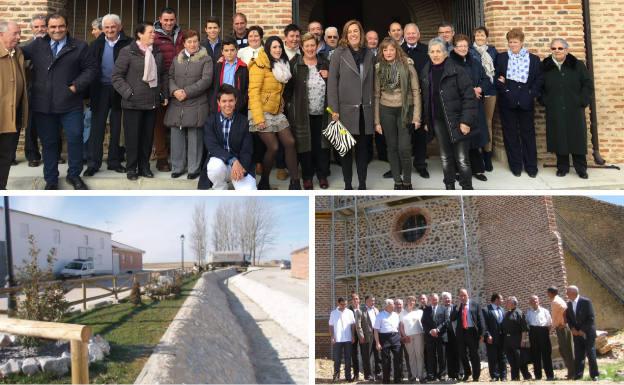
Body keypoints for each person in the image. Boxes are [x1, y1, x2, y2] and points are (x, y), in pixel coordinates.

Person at [22, 13, 97, 190]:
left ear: (67, 26)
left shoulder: (80, 46)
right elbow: (16, 52)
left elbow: (91, 69)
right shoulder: (37, 45)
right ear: (47, 28)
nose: (57, 30)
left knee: (75, 138)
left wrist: (75, 86)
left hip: (70, 103)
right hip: (43, 105)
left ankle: (74, 175)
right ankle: (51, 180)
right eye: (53, 27)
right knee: (49, 143)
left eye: (61, 26)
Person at [112, 22, 168, 181]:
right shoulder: (127, 51)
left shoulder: (157, 52)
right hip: (132, 103)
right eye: (150, 32)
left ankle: (144, 167)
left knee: (147, 138)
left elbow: (163, 75)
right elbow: (116, 77)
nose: (154, 35)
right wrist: (129, 93)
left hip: (151, 102)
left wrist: (163, 93)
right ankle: (131, 168)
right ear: (139, 34)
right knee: (132, 138)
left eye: (154, 33)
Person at [420, 37, 477, 190]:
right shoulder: (426, 72)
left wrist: (466, 121)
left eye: (438, 51)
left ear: (445, 53)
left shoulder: (457, 71)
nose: (435, 54)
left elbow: (469, 97)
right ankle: (449, 187)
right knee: (445, 157)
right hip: (438, 120)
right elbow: (426, 98)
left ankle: (467, 189)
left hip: (458, 120)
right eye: (432, 51)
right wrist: (427, 120)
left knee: (462, 159)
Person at [327, 19, 375, 190]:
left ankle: (362, 184)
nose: (353, 34)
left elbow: (373, 83)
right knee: (345, 152)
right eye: (350, 32)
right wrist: (334, 110)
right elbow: (332, 83)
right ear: (345, 35)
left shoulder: (369, 54)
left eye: (356, 31)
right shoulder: (338, 54)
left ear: (361, 33)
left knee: (363, 152)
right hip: (344, 111)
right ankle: (348, 185)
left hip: (364, 111)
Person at [248, 36, 300, 190]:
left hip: (276, 112)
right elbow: (254, 93)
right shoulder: (259, 65)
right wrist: (259, 118)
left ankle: (295, 182)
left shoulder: (281, 65)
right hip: (260, 112)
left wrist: (280, 102)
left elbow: (278, 91)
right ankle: (264, 181)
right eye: (274, 47)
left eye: (279, 47)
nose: (278, 50)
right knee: (274, 147)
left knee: (290, 142)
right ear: (268, 49)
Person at [84, 13, 131, 177]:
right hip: (100, 90)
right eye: (106, 27)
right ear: (102, 29)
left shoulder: (129, 44)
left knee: (117, 127)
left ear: (119, 27)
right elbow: (88, 68)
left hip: (119, 90)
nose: (110, 30)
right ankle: (93, 163)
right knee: (97, 127)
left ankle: (114, 161)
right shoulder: (95, 44)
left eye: (113, 27)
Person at [540, 38, 593, 179]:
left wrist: (582, 101)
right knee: (559, 137)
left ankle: (581, 168)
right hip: (555, 108)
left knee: (577, 139)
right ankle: (562, 167)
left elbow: (587, 84)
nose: (557, 51)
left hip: (574, 108)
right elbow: (539, 86)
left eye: (560, 48)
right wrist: (545, 101)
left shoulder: (577, 65)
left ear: (566, 50)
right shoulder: (545, 66)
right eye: (554, 48)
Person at [165, 29, 213, 180]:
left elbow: (206, 80)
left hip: (196, 102)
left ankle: (194, 168)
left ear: (199, 42)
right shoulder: (176, 59)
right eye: (189, 41)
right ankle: (177, 167)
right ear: (184, 43)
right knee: (176, 135)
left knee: (195, 137)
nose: (193, 44)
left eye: (195, 41)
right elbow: (170, 77)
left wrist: (186, 92)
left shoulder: (206, 59)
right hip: (177, 103)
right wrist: (174, 91)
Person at [374, 37, 421, 190]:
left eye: (391, 49)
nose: (388, 52)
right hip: (386, 110)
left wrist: (417, 117)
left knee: (405, 148)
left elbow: (416, 92)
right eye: (385, 49)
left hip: (405, 110)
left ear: (397, 50)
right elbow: (376, 95)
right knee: (392, 147)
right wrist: (377, 121)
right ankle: (397, 181)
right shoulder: (378, 68)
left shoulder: (408, 65)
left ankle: (407, 181)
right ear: (382, 52)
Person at [495, 28, 543, 177]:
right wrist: (506, 91)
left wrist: (530, 94)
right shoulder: (502, 58)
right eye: (510, 42)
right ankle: (515, 165)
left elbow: (539, 79)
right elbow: (497, 76)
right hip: (507, 101)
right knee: (510, 135)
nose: (513, 44)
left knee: (528, 134)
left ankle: (531, 166)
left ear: (522, 42)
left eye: (515, 42)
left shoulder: (533, 59)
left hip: (526, 101)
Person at [286, 32, 330, 190]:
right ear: (301, 47)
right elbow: (288, 91)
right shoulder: (294, 64)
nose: (310, 48)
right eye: (307, 46)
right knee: (305, 146)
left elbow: (334, 85)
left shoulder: (325, 62)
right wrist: (291, 111)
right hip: (302, 114)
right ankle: (307, 177)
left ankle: (322, 175)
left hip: (323, 112)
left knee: (322, 145)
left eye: (313, 45)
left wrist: (329, 76)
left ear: (317, 46)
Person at [450, 34, 491, 183]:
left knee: (475, 139)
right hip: (459, 107)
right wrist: (469, 91)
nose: (462, 48)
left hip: (476, 106)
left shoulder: (475, 62)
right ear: (454, 47)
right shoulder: (449, 63)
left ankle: (478, 169)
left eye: (465, 46)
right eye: (459, 46)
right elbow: (449, 86)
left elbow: (486, 79)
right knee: (461, 140)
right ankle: (460, 171)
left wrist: (479, 88)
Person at [204, 84, 256, 190]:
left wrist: (242, 166)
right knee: (214, 167)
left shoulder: (243, 121)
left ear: (235, 101)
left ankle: (238, 179)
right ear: (218, 102)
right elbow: (212, 147)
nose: (228, 104)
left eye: (231, 100)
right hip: (221, 163)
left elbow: (247, 149)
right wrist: (233, 160)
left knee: (249, 194)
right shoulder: (211, 121)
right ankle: (221, 188)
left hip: (240, 165)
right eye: (224, 101)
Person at [153, 7, 185, 173]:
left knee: (177, 122)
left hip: (180, 83)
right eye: (165, 20)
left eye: (171, 20)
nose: (168, 23)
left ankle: (178, 156)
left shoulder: (181, 35)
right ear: (160, 19)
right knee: (159, 123)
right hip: (160, 82)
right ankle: (162, 157)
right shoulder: (154, 35)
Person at [0, 20, 27, 189]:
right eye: (15, 33)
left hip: (13, 116)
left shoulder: (17, 53)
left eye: (19, 33)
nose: (19, 37)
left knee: (6, 156)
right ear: (1, 34)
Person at [402, 23, 431, 180]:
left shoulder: (427, 50)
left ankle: (420, 165)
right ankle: (400, 166)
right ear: (404, 35)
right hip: (403, 99)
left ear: (418, 35)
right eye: (408, 33)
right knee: (403, 135)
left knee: (420, 134)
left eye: (414, 33)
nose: (411, 36)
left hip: (422, 97)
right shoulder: (398, 51)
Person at [472, 26, 498, 171]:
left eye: (482, 35)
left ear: (486, 37)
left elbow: (498, 68)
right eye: (477, 35)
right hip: (476, 91)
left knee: (487, 123)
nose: (480, 38)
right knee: (476, 123)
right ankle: (478, 155)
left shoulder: (493, 51)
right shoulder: (470, 51)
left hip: (490, 90)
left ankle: (487, 156)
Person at [566, 285, 599, 380]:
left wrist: (582, 330)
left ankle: (594, 375)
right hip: (576, 334)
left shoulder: (586, 302)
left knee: (591, 353)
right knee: (579, 355)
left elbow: (591, 318)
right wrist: (572, 329)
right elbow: (569, 318)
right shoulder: (569, 304)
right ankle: (578, 375)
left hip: (587, 333)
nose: (566, 294)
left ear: (573, 293)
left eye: (568, 292)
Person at [452, 288, 485, 382]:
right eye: (461, 296)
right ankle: (467, 373)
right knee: (462, 354)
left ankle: (476, 376)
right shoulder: (457, 307)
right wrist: (458, 308)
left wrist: (482, 334)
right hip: (461, 333)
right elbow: (452, 318)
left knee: (474, 355)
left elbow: (480, 319)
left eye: (464, 295)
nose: (462, 297)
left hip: (472, 332)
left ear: (468, 295)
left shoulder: (475, 305)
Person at [547, 286, 576, 379]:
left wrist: (564, 323)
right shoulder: (556, 300)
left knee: (567, 350)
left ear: (551, 293)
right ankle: (571, 371)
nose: (547, 295)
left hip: (562, 328)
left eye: (548, 293)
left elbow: (565, 310)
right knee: (563, 350)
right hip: (560, 328)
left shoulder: (556, 301)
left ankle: (573, 373)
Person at [502, 296, 531, 381]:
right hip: (507, 340)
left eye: (508, 301)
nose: (506, 303)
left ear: (513, 303)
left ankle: (527, 376)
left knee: (520, 360)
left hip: (517, 339)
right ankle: (515, 378)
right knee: (511, 361)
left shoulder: (519, 313)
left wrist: (523, 340)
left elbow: (524, 329)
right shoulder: (507, 313)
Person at [527, 294, 555, 380]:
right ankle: (538, 376)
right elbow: (527, 324)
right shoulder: (528, 313)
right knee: (535, 356)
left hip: (543, 333)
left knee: (546, 355)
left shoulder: (545, 311)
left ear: (539, 301)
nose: (534, 302)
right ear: (530, 303)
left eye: (536, 300)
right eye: (532, 300)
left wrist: (547, 334)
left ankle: (550, 375)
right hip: (533, 333)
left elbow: (550, 324)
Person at [432, 291, 459, 381]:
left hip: (455, 335)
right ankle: (451, 375)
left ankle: (459, 373)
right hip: (445, 336)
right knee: (449, 356)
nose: (447, 299)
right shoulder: (440, 309)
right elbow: (441, 322)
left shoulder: (456, 308)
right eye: (445, 298)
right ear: (442, 300)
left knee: (457, 354)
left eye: (448, 298)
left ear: (451, 299)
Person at [374, 299, 402, 384]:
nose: (394, 305)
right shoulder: (380, 316)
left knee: (398, 359)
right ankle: (386, 381)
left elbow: (398, 327)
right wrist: (377, 343)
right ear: (387, 305)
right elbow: (376, 330)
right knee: (386, 361)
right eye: (393, 304)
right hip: (384, 338)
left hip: (395, 337)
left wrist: (400, 337)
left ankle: (397, 380)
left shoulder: (396, 315)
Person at [329, 297, 356, 382]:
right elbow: (331, 325)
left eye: (345, 304)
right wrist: (332, 336)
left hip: (348, 339)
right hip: (337, 339)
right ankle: (336, 376)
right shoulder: (333, 313)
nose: (344, 306)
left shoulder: (350, 312)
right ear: (338, 303)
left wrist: (353, 336)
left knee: (348, 359)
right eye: (342, 304)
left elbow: (353, 325)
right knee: (337, 359)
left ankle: (348, 377)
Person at [400, 296, 426, 382]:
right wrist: (404, 336)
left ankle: (421, 376)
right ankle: (414, 375)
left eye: (413, 301)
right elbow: (401, 326)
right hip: (408, 337)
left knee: (419, 355)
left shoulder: (419, 312)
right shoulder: (402, 313)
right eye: (409, 301)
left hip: (418, 335)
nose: (411, 302)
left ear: (415, 302)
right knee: (411, 356)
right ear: (406, 302)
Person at [482, 293, 507, 381]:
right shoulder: (486, 310)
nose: (503, 301)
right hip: (491, 338)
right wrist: (487, 335)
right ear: (496, 299)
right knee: (493, 357)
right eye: (501, 299)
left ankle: (503, 376)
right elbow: (484, 325)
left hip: (502, 338)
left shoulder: (502, 310)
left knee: (502, 357)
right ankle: (495, 376)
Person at [422, 293, 444, 381]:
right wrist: (430, 331)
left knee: (441, 356)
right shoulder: (426, 310)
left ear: (438, 299)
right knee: (431, 356)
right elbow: (423, 322)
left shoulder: (443, 309)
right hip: (430, 337)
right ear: (430, 300)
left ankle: (442, 374)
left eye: (435, 299)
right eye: (432, 299)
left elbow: (446, 321)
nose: (434, 301)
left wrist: (437, 330)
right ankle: (432, 374)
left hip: (440, 336)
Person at [362, 296, 379, 381]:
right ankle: (368, 375)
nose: (373, 302)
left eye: (374, 300)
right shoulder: (361, 310)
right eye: (371, 301)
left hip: (376, 335)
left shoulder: (376, 310)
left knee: (377, 355)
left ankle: (378, 373)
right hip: (367, 337)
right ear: (366, 301)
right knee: (367, 356)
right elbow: (358, 325)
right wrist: (361, 336)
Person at [349, 293, 365, 381]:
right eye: (354, 299)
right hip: (353, 334)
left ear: (359, 300)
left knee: (365, 354)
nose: (356, 300)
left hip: (362, 334)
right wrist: (351, 335)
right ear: (352, 301)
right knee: (354, 355)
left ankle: (367, 375)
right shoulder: (348, 310)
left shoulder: (363, 309)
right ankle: (356, 375)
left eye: (357, 299)